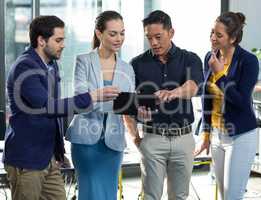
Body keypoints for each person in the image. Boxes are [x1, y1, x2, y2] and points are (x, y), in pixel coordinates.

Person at [3, 15, 120, 200]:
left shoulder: (51, 65)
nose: (63, 44)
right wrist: (93, 96)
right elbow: (49, 107)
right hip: (26, 160)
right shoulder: (24, 67)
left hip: (47, 158)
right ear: (41, 41)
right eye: (58, 40)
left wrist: (58, 150)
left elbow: (55, 115)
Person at [124, 10, 203, 200]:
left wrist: (173, 93)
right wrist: (136, 139)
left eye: (158, 37)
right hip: (152, 138)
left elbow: (193, 87)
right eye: (149, 38)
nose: (153, 43)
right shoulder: (136, 64)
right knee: (150, 196)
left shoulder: (190, 59)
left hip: (183, 139)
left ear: (171, 32)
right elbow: (128, 107)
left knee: (179, 196)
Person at [65, 11, 135, 200]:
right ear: (99, 33)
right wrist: (98, 97)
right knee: (90, 192)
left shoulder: (127, 68)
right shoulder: (83, 61)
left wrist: (139, 111)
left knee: (109, 193)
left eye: (122, 33)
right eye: (113, 33)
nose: (118, 38)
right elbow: (80, 100)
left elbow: (127, 107)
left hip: (113, 144)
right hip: (86, 142)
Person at [194, 12, 259, 200]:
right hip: (216, 135)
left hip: (240, 136)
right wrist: (206, 134)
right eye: (212, 32)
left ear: (233, 38)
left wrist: (220, 74)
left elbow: (240, 101)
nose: (213, 38)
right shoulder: (210, 56)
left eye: (219, 35)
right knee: (223, 195)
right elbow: (206, 96)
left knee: (233, 196)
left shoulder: (248, 61)